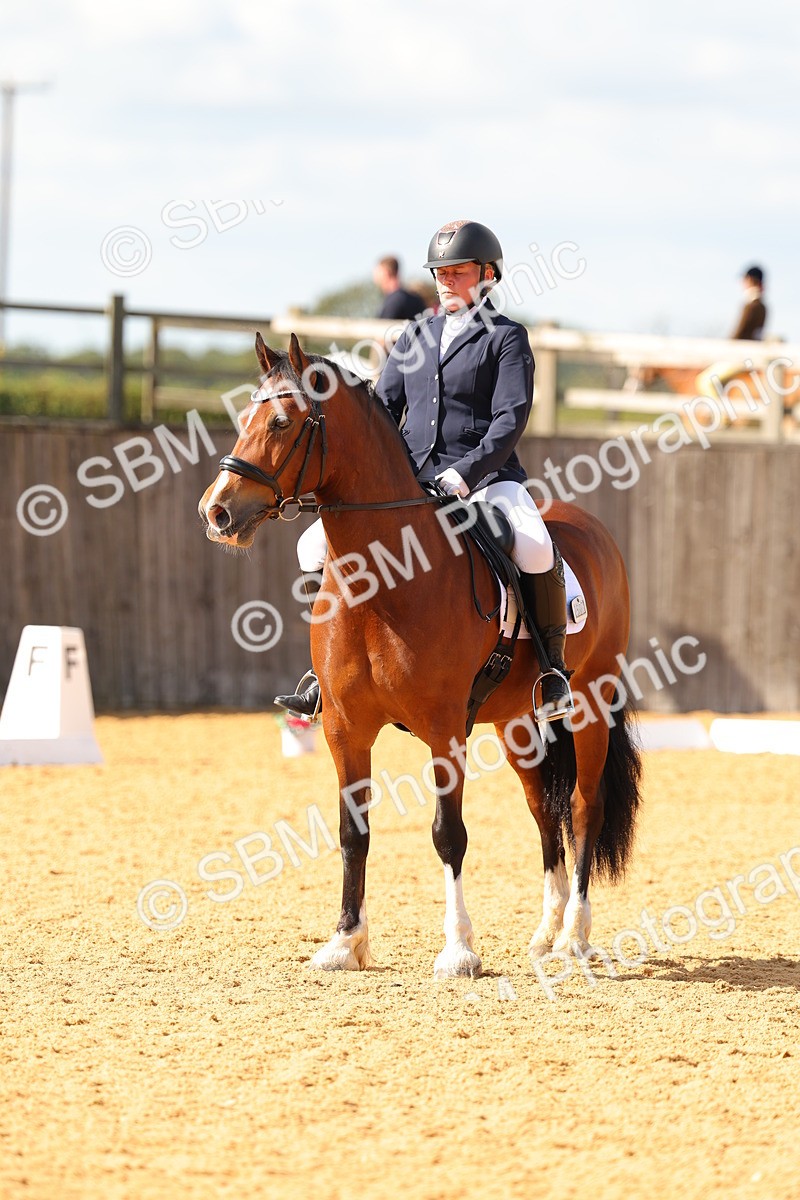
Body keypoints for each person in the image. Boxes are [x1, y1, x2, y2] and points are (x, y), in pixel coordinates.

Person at [276, 220, 572, 722]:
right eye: (440, 272)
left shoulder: (506, 337)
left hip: (486, 478)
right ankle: (323, 669)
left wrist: (464, 474)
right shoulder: (415, 334)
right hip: (411, 480)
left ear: (488, 275)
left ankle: (552, 673)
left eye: (458, 272)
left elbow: (509, 420)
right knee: (311, 546)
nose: (446, 281)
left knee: (535, 545)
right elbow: (383, 410)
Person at [696, 265, 768, 400]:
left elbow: (739, 333)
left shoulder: (751, 305)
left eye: (744, 280)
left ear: (750, 280)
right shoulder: (763, 306)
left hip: (742, 356)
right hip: (753, 353)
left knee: (705, 381)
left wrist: (725, 348)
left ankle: (720, 411)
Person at [373, 256, 426, 321]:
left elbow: (383, 325)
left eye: (378, 272)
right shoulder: (416, 299)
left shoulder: (394, 301)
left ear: (386, 273)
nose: (375, 277)